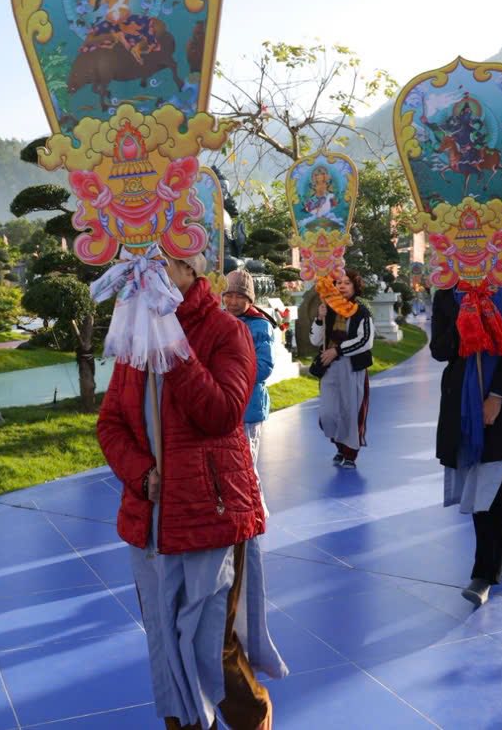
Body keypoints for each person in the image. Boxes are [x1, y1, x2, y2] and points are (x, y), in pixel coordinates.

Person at [97, 253, 284, 730]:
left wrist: (173, 346)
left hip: (211, 514)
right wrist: (142, 473)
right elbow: (111, 423)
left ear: (191, 269)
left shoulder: (227, 331)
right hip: (151, 516)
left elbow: (222, 413)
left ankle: (253, 720)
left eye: (160, 262)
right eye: (141, 263)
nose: (147, 274)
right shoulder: (134, 335)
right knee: (164, 644)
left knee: (211, 646)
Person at [430, 278, 502, 606]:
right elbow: (439, 350)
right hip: (462, 404)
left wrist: (497, 397)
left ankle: (484, 572)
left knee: (492, 489)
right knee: (477, 484)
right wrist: (466, 321)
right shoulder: (447, 291)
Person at [222, 269, 275, 514]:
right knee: (227, 467)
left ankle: (255, 513)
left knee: (245, 465)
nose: (233, 301)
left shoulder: (260, 325)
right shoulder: (219, 320)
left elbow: (264, 367)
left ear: (250, 299)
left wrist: (230, 374)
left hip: (249, 407)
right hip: (225, 406)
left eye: (239, 296)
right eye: (228, 295)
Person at [309, 271, 373, 468]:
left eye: (347, 283)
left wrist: (337, 351)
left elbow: (365, 341)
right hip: (329, 367)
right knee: (328, 414)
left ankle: (349, 454)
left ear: (355, 287)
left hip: (352, 367)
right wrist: (319, 318)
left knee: (350, 411)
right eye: (338, 283)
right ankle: (339, 444)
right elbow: (315, 340)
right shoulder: (327, 309)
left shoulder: (361, 311)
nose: (342, 286)